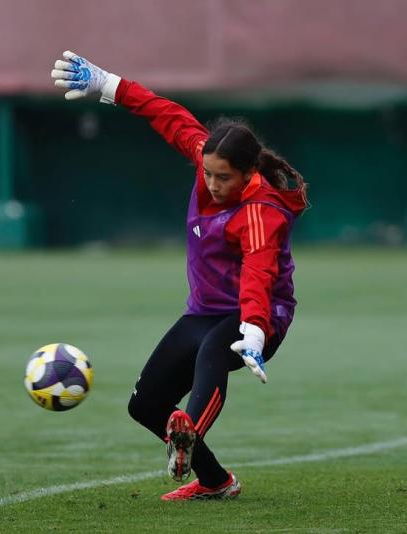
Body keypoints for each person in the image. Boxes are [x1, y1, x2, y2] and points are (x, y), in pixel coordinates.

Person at [51, 51, 308, 500]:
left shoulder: (260, 212)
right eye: (207, 172)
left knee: (213, 351)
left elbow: (259, 271)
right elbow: (168, 114)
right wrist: (108, 83)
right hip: (205, 310)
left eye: (223, 177)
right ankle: (215, 481)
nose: (212, 183)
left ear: (249, 174)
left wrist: (254, 329)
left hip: (257, 316)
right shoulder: (207, 159)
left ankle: (188, 433)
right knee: (145, 404)